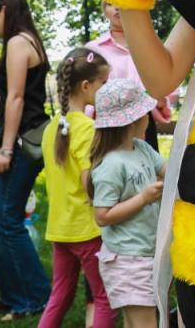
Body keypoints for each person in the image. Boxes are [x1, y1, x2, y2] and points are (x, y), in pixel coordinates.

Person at [0, 0, 51, 321]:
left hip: (23, 143)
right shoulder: (27, 39)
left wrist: (6, 149)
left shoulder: (18, 42)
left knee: (8, 222)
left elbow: (16, 98)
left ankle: (36, 297)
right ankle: (12, 295)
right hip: (19, 139)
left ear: (3, 11)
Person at [38, 48, 116, 328]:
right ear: (86, 86)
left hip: (61, 229)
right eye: (103, 84)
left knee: (60, 295)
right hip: (88, 230)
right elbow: (89, 181)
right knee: (105, 298)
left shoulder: (50, 129)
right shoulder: (87, 128)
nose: (106, 89)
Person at [89, 78, 167, 328]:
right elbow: (102, 215)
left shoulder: (142, 148)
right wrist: (143, 199)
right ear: (133, 120)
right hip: (126, 260)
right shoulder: (112, 164)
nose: (149, 118)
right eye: (146, 113)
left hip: (143, 254)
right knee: (145, 324)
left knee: (135, 323)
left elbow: (170, 170)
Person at [86, 0, 174, 152]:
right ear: (104, 10)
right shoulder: (94, 49)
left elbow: (164, 78)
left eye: (122, 2)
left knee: (148, 169)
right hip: (111, 123)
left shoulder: (150, 44)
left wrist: (160, 99)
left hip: (143, 119)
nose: (117, 7)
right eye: (110, 3)